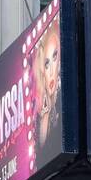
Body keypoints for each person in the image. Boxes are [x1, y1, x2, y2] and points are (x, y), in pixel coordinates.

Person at [32, 21, 61, 156]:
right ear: (42, 69)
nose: (51, 72)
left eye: (55, 57)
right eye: (46, 63)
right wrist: (45, 116)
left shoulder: (63, 103)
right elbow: (42, 154)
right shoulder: (35, 113)